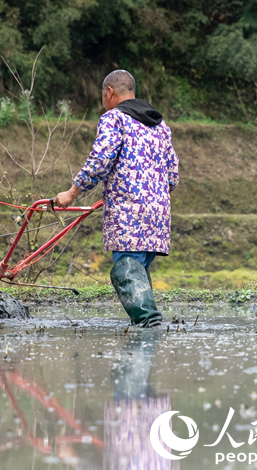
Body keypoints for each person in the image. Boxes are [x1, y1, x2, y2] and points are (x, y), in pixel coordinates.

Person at [54, 70, 178, 327]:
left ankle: (148, 326)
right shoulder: (160, 125)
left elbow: (100, 162)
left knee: (126, 269)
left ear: (109, 92)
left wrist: (71, 193)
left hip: (128, 215)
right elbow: (173, 176)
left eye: (103, 96)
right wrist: (151, 193)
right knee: (138, 274)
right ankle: (146, 340)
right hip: (157, 217)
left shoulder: (115, 119)